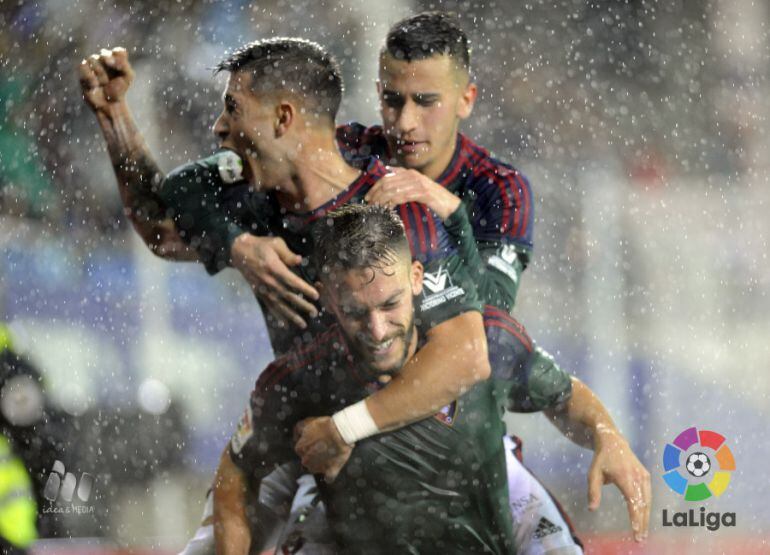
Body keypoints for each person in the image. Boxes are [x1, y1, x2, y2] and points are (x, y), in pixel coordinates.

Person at [78, 30, 649, 552]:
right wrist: (232, 241)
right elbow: (161, 220)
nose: (403, 123)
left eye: (425, 101)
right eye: (392, 98)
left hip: (440, 439)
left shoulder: (420, 205)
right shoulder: (291, 176)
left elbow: (481, 345)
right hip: (317, 445)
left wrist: (605, 433)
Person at [214, 204, 515, 554]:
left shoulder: (488, 339)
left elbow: (558, 392)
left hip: (504, 491)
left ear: (417, 278)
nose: (377, 330)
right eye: (356, 312)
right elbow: (234, 473)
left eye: (390, 305)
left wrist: (343, 428)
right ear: (327, 297)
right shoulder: (299, 379)